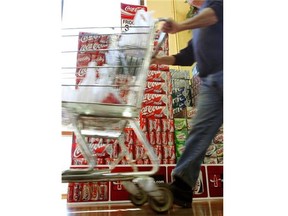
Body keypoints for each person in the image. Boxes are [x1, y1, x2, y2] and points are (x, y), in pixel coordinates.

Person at [151, 0, 223, 208]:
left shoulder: (215, 5)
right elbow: (186, 56)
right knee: (199, 132)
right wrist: (157, 61)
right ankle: (182, 188)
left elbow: (214, 14)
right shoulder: (200, 20)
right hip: (210, 82)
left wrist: (180, 26)